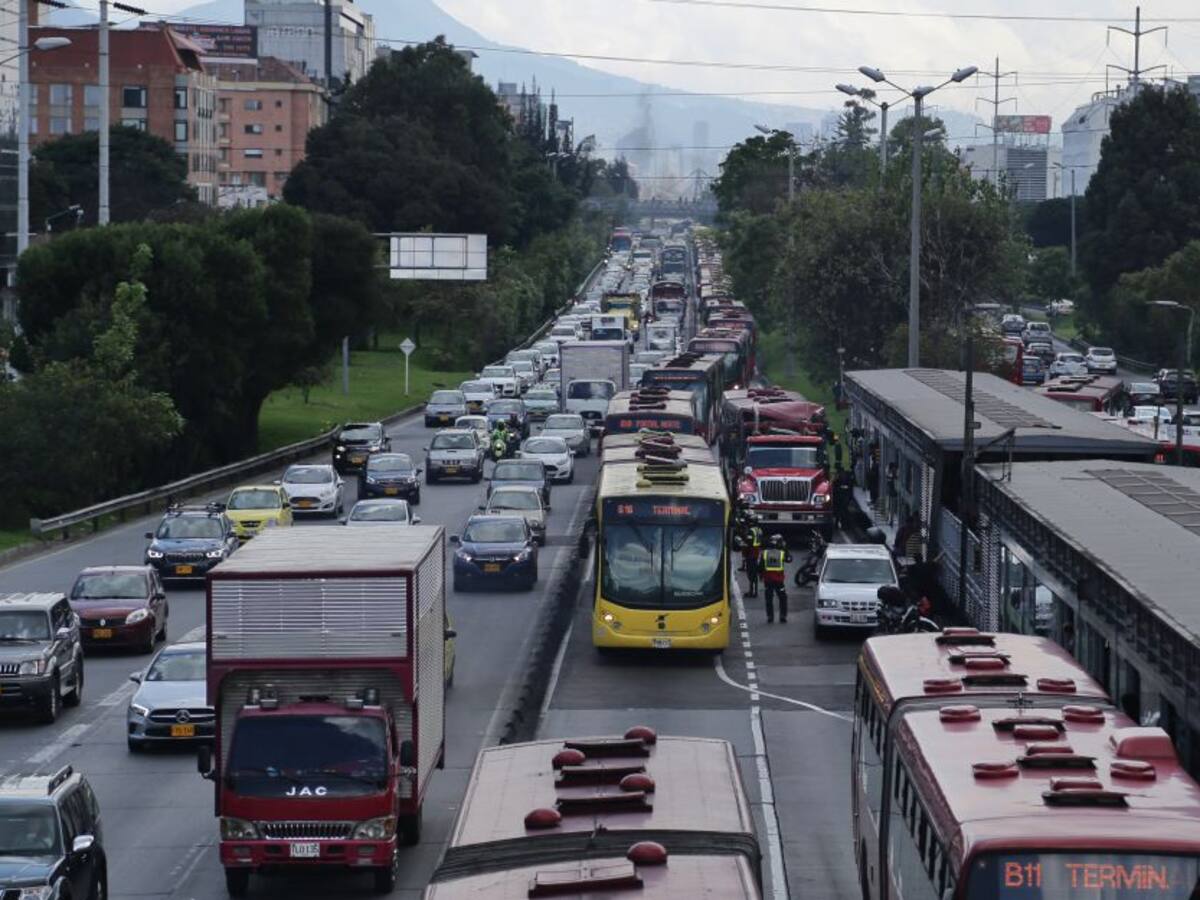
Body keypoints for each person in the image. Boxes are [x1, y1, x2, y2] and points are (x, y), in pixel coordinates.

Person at [758, 534, 793, 624]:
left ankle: (770, 617)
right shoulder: (782, 553)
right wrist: (785, 548)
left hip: (768, 580)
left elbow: (760, 566)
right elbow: (789, 559)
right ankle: (783, 616)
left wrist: (761, 576)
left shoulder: (765, 553)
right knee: (782, 598)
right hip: (779, 580)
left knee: (769, 599)